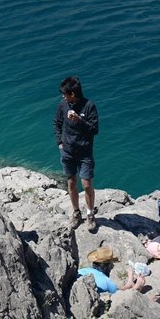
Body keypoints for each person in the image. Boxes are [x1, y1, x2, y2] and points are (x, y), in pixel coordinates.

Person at [54, 75, 99, 230]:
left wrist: (79, 120)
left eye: (65, 94)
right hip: (67, 151)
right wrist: (59, 142)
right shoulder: (62, 105)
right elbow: (57, 123)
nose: (63, 96)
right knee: (71, 182)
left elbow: (94, 130)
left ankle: (90, 214)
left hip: (84, 153)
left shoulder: (89, 106)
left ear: (72, 94)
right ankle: (76, 212)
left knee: (86, 184)